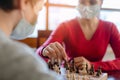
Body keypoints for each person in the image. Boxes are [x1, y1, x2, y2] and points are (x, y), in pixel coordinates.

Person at [36, 0, 120, 72]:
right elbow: (38, 53)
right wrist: (44, 50)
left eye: (92, 2)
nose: (87, 6)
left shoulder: (110, 28)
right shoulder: (65, 26)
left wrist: (92, 65)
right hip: (69, 74)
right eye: (82, 1)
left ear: (101, 3)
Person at [0, 0, 59, 80]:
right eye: (39, 9)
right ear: (24, 2)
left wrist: (43, 52)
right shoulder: (20, 61)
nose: (37, 21)